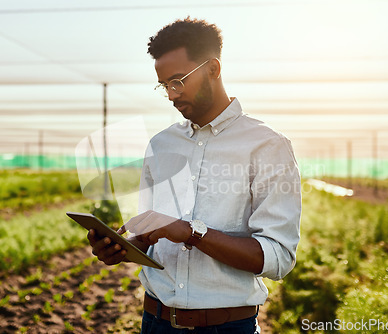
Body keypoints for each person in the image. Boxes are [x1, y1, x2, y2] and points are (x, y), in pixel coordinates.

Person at [88, 17, 301, 333]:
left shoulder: (268, 146)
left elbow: (278, 257)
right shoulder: (160, 145)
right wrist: (124, 247)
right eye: (164, 86)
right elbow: (152, 234)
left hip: (226, 328)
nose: (172, 95)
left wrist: (192, 232)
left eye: (178, 81)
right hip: (154, 322)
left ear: (213, 69)